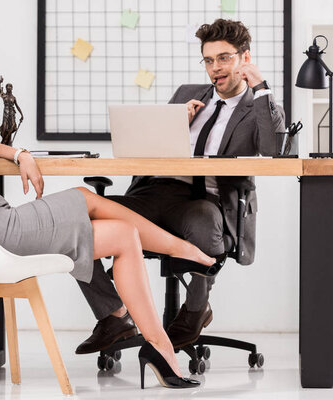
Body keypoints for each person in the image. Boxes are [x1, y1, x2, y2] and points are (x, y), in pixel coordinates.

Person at [0, 29, 223, 389]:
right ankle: (182, 254)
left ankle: (151, 341)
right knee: (85, 196)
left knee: (123, 235)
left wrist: (18, 153)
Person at [75, 19, 285, 354]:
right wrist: (175, 124)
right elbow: (144, 150)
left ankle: (195, 309)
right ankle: (113, 313)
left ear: (245, 58)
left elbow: (274, 149)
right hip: (153, 192)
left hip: (205, 199)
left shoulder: (258, 106)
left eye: (224, 58)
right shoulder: (188, 94)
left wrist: (262, 89)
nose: (214, 68)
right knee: (77, 224)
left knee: (203, 221)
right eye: (208, 59)